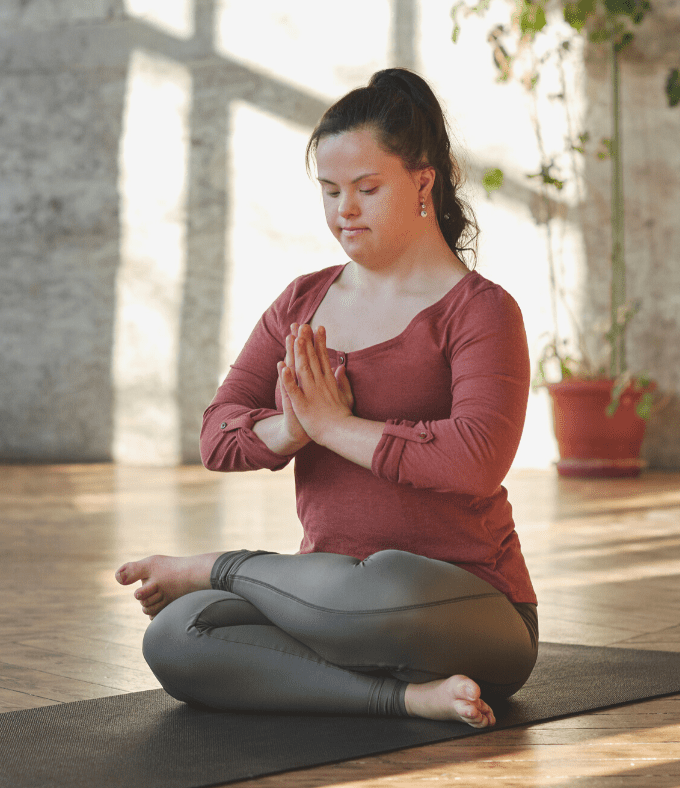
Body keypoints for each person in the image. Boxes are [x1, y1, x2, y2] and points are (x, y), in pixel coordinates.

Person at [115, 68, 537, 728]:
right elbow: (217, 435)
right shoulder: (302, 301)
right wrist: (291, 430)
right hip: (325, 595)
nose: (345, 210)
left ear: (424, 181)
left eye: (367, 189)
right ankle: (403, 698)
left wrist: (336, 426)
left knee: (382, 582)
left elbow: (474, 458)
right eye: (331, 190)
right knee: (177, 635)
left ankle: (216, 568)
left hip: (464, 606)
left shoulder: (482, 312)